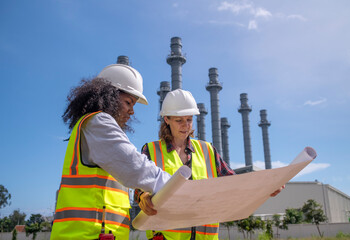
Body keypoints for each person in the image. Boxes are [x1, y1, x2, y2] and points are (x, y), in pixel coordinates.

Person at [134, 89, 284, 240]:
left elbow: (234, 183)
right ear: (166, 119)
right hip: (167, 236)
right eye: (179, 120)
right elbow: (139, 186)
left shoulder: (207, 150)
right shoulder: (152, 150)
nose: (185, 126)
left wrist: (265, 187)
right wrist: (142, 195)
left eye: (189, 120)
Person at [50, 64, 172, 240]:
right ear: (108, 97)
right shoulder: (98, 123)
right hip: (86, 235)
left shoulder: (93, 127)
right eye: (128, 102)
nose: (132, 111)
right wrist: (180, 190)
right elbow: (137, 168)